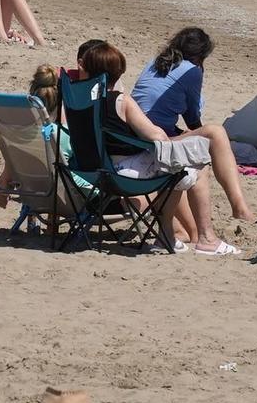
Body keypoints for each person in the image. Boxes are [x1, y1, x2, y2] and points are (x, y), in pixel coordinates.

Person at [77, 42, 235, 257]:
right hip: (124, 173)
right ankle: (206, 239)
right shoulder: (121, 101)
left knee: (176, 167)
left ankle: (168, 236)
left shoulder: (78, 99)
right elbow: (156, 136)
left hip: (89, 170)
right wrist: (178, 137)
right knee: (193, 167)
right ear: (119, 72)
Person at [129, 28, 250, 222]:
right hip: (153, 138)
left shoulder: (155, 62)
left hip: (133, 132)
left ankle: (186, 227)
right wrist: (196, 134)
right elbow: (192, 116)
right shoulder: (192, 71)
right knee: (215, 134)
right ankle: (240, 208)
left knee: (197, 139)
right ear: (201, 55)